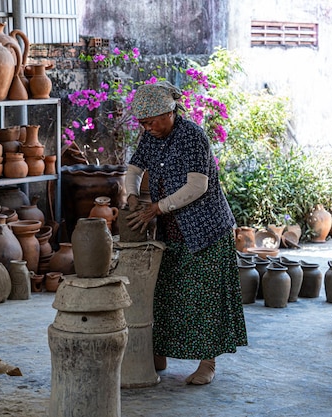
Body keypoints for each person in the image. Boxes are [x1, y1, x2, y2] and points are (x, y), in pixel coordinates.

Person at [125, 81, 247, 385]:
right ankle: (159, 352)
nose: (147, 128)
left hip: (205, 229)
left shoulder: (192, 135)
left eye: (151, 122)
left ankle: (208, 363)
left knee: (204, 300)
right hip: (172, 230)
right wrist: (130, 196)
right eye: (142, 124)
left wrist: (155, 208)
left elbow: (198, 186)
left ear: (169, 113)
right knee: (165, 294)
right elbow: (134, 170)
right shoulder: (152, 136)